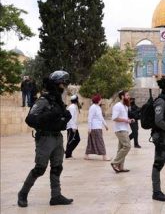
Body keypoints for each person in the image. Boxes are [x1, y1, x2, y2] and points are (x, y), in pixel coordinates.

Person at [18, 70, 73, 207]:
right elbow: (30, 119)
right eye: (62, 84)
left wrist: (64, 117)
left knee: (57, 167)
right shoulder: (43, 100)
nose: (64, 87)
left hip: (57, 137)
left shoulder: (58, 100)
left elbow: (59, 117)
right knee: (40, 168)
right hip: (45, 138)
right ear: (56, 84)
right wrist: (49, 115)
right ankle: (23, 194)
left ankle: (56, 196)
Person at [111, 90, 134, 173]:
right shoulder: (118, 106)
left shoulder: (125, 106)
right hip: (120, 129)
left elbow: (123, 117)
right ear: (122, 96)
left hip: (125, 129)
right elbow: (114, 118)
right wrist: (126, 120)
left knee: (121, 148)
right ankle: (115, 163)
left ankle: (120, 167)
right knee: (127, 146)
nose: (129, 97)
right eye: (127, 95)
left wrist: (129, 120)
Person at [85, 94, 110, 161]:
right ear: (98, 100)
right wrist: (89, 128)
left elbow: (101, 117)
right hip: (94, 127)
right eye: (100, 99)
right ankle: (104, 156)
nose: (101, 100)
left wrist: (105, 125)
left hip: (98, 127)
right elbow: (90, 118)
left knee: (90, 142)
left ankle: (86, 155)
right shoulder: (93, 107)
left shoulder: (98, 107)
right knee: (100, 141)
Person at [65, 95, 81, 159]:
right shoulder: (72, 107)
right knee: (70, 140)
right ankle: (68, 155)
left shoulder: (74, 107)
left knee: (77, 139)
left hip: (74, 126)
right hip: (71, 127)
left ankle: (68, 152)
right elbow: (71, 118)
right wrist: (73, 127)